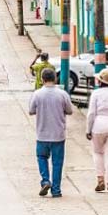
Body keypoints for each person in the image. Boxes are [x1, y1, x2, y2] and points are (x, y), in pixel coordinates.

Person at [28, 67, 73, 198]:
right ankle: (56, 190)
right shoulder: (62, 94)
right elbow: (70, 111)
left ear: (42, 79)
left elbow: (31, 111)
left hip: (42, 134)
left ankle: (45, 180)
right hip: (58, 135)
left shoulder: (37, 94)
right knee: (57, 162)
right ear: (55, 78)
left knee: (42, 158)